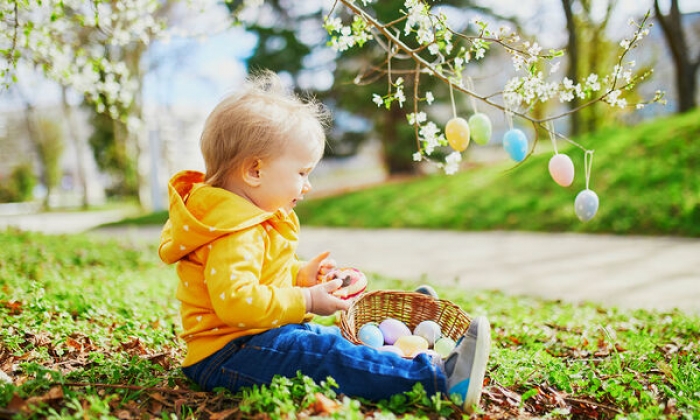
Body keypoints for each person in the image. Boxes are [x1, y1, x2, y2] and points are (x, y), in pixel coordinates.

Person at [158, 70, 491, 412]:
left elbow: (263, 275)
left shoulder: (247, 220)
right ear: (254, 172)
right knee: (325, 356)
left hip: (252, 341)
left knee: (330, 341)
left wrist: (303, 275)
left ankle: (416, 346)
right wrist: (307, 300)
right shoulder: (235, 230)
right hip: (227, 354)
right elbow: (238, 302)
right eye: (301, 172)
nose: (308, 185)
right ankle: (441, 380)